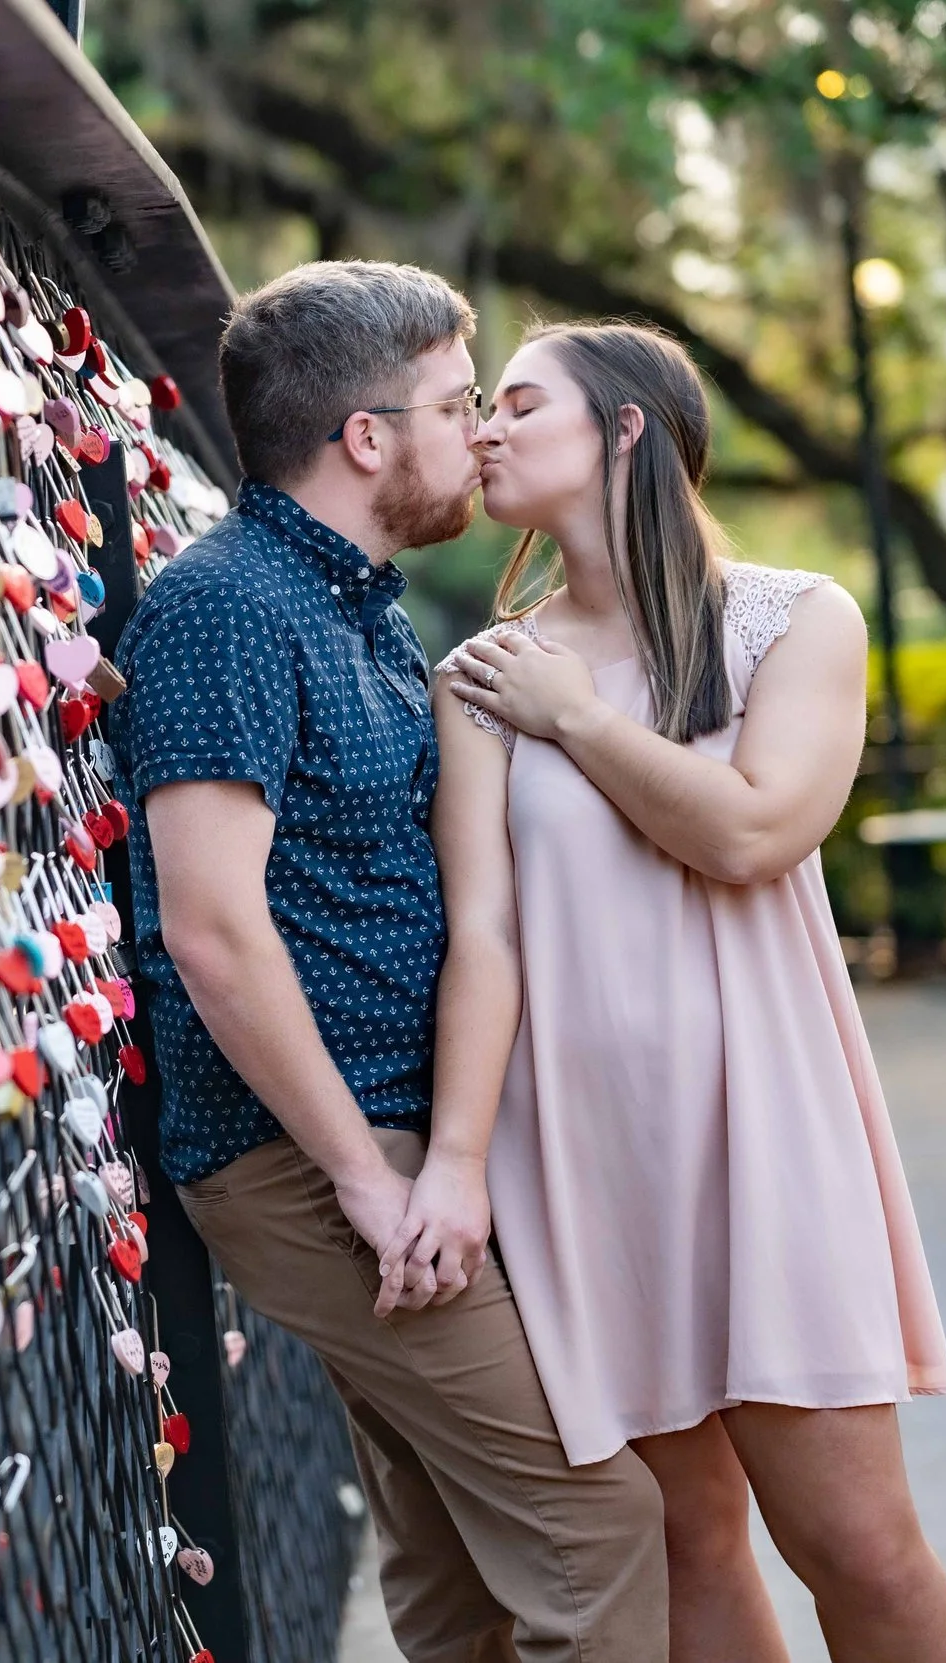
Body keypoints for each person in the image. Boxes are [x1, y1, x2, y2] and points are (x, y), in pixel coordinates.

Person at [114, 261, 668, 1662]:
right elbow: (212, 928)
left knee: (452, 1568)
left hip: (387, 1144)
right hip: (313, 1155)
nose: (478, 428)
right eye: (455, 401)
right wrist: (366, 1174)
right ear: (368, 438)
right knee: (596, 1527)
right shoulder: (226, 608)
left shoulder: (362, 607)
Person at [430, 320, 946, 1663]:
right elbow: (483, 936)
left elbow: (750, 831)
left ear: (626, 429)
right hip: (582, 1163)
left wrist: (581, 719)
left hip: (768, 1138)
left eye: (519, 403)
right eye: (479, 407)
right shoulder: (484, 674)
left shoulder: (794, 621)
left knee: (859, 1543)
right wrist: (458, 1159)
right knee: (688, 1543)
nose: (485, 427)